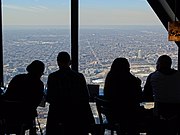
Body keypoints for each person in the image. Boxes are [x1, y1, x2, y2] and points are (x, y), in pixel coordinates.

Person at [45, 51, 95, 135]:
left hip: (57, 117)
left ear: (58, 62)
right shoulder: (79, 77)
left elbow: (50, 98)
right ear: (70, 62)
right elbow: (85, 97)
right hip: (76, 117)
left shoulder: (53, 77)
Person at [1, 60, 45, 134]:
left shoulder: (17, 78)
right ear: (40, 73)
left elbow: (7, 96)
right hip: (26, 116)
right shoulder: (38, 84)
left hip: (9, 115)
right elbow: (36, 103)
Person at [104, 57, 143, 135]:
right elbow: (139, 97)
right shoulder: (131, 80)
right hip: (130, 116)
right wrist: (138, 83)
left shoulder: (110, 77)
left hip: (113, 116)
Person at [143, 55, 180, 135]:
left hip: (160, 112)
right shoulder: (178, 75)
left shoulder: (153, 77)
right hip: (177, 112)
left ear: (159, 65)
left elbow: (146, 95)